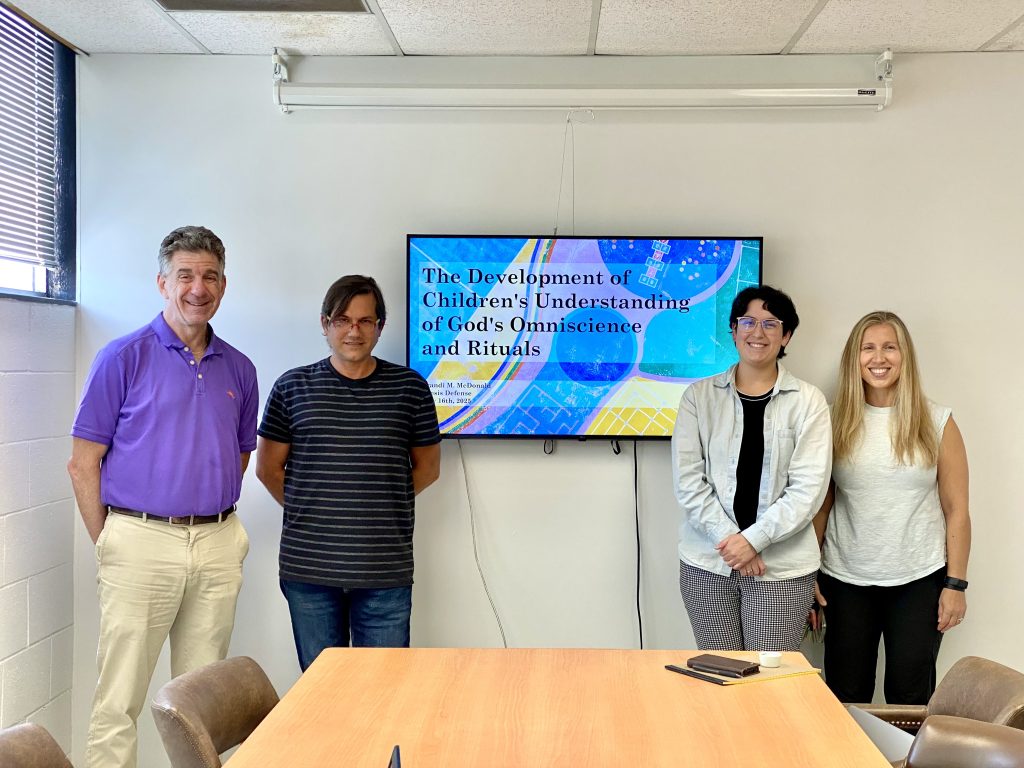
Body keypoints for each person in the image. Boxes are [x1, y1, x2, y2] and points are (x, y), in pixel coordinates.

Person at [67, 226, 257, 768]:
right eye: (185, 275)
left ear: (224, 285)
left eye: (210, 277)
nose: (199, 288)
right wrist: (111, 542)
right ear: (162, 283)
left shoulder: (240, 368)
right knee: (119, 700)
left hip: (217, 542)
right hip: (138, 540)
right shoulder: (122, 357)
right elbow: (83, 463)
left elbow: (239, 456)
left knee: (202, 704)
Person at [256, 274, 441, 670]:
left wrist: (375, 501)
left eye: (365, 321)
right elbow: (268, 469)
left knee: (386, 688)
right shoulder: (292, 387)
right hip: (309, 571)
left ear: (380, 327)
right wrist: (315, 508)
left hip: (384, 571)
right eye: (342, 320)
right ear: (325, 324)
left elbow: (428, 468)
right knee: (323, 690)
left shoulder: (410, 388)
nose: (354, 331)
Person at [816, 311, 971, 704]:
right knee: (846, 696)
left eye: (890, 347)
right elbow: (820, 505)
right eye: (868, 348)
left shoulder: (937, 421)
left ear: (905, 357)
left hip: (919, 580)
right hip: (845, 579)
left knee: (910, 697)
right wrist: (806, 576)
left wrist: (955, 585)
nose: (879, 357)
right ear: (854, 358)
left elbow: (957, 509)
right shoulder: (831, 420)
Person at [672, 285, 831, 651]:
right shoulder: (698, 397)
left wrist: (752, 541)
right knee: (720, 673)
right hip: (708, 563)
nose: (757, 332)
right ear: (733, 329)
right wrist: (732, 543)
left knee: (768, 678)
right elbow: (689, 482)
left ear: (786, 336)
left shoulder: (809, 402)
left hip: (781, 570)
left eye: (771, 324)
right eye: (748, 322)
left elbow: (808, 491)